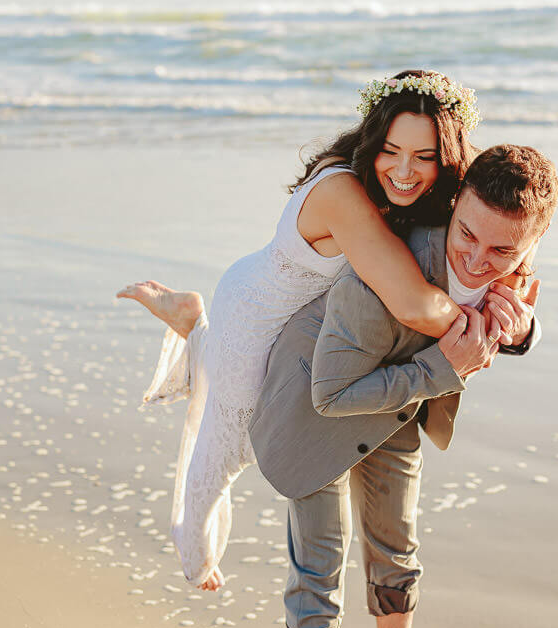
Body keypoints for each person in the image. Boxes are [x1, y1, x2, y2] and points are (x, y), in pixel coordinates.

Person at [117, 70, 496, 591]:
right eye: (391, 150)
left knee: (228, 408)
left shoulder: (400, 186)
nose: (404, 170)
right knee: (225, 458)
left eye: (424, 157)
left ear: (446, 155)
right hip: (256, 319)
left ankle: (191, 321)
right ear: (373, 139)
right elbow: (412, 303)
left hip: (287, 318)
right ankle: (197, 559)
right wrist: (486, 324)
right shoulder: (342, 190)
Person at [249, 144, 558, 628]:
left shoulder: (510, 260)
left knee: (397, 555)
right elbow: (330, 395)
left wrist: (524, 329)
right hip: (314, 407)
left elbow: (513, 312)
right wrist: (443, 368)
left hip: (397, 410)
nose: (478, 260)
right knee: (320, 567)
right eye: (466, 235)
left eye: (502, 252)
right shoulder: (383, 271)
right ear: (456, 203)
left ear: (533, 243)